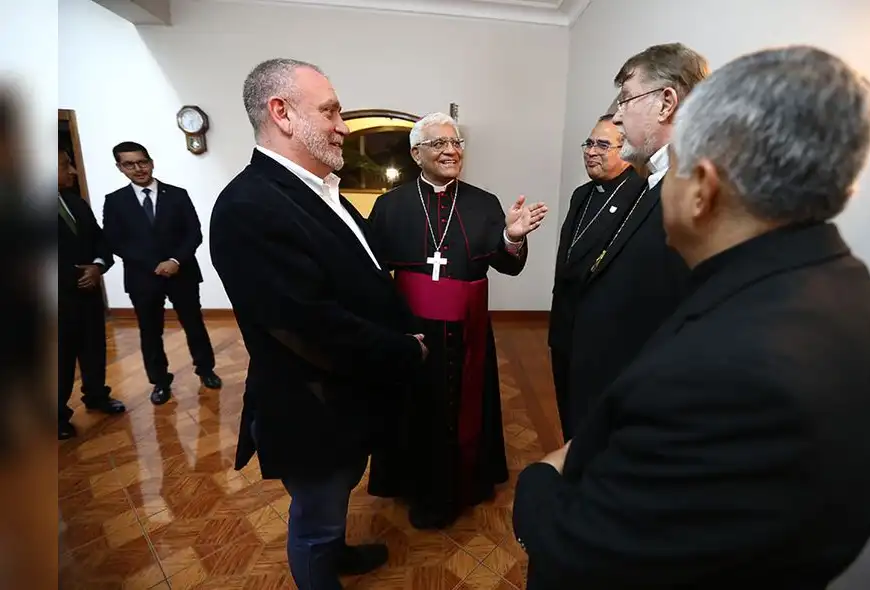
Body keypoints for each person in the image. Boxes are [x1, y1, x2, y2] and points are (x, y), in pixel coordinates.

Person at [512, 45, 870, 590]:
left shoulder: (730, 369)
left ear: (704, 187)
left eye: (671, 168)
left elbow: (586, 551)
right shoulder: (834, 281)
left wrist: (539, 478)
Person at [210, 58, 428, 590]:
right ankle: (321, 565)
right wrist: (405, 351)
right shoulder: (248, 205)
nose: (343, 126)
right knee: (315, 517)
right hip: (313, 405)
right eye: (330, 111)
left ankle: (338, 552)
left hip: (348, 395)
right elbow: (309, 325)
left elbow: (361, 277)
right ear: (280, 113)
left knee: (338, 494)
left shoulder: (318, 187)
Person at [365, 112, 548, 530]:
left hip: (468, 331)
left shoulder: (483, 202)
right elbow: (376, 274)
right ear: (416, 153)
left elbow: (507, 265)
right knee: (416, 408)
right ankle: (416, 485)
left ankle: (469, 480)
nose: (451, 150)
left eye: (457, 143)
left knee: (467, 404)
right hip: (413, 330)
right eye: (439, 144)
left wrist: (512, 238)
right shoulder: (390, 206)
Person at [563, 43, 707, 436]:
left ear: (666, 103)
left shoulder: (694, 189)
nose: (617, 115)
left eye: (626, 99)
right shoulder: (655, 182)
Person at [102, 141, 221, 404]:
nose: (138, 168)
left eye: (142, 162)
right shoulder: (115, 201)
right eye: (129, 164)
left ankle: (206, 370)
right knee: (150, 331)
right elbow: (114, 240)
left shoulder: (177, 194)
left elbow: (194, 232)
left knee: (194, 324)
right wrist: (153, 264)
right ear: (120, 167)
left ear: (151, 162)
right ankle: (159, 382)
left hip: (182, 272)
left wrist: (175, 260)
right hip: (142, 278)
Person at [549, 113, 644, 440]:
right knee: (568, 409)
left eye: (603, 145)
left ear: (626, 150)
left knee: (595, 417)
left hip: (602, 333)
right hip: (565, 325)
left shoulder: (641, 196)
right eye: (589, 143)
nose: (591, 151)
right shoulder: (582, 194)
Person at [57, 149, 125, 439]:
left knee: (93, 348)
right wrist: (74, 275)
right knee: (58, 359)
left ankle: (96, 395)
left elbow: (99, 239)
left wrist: (98, 267)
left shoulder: (74, 202)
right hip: (57, 298)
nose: (72, 171)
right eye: (65, 165)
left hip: (89, 293)